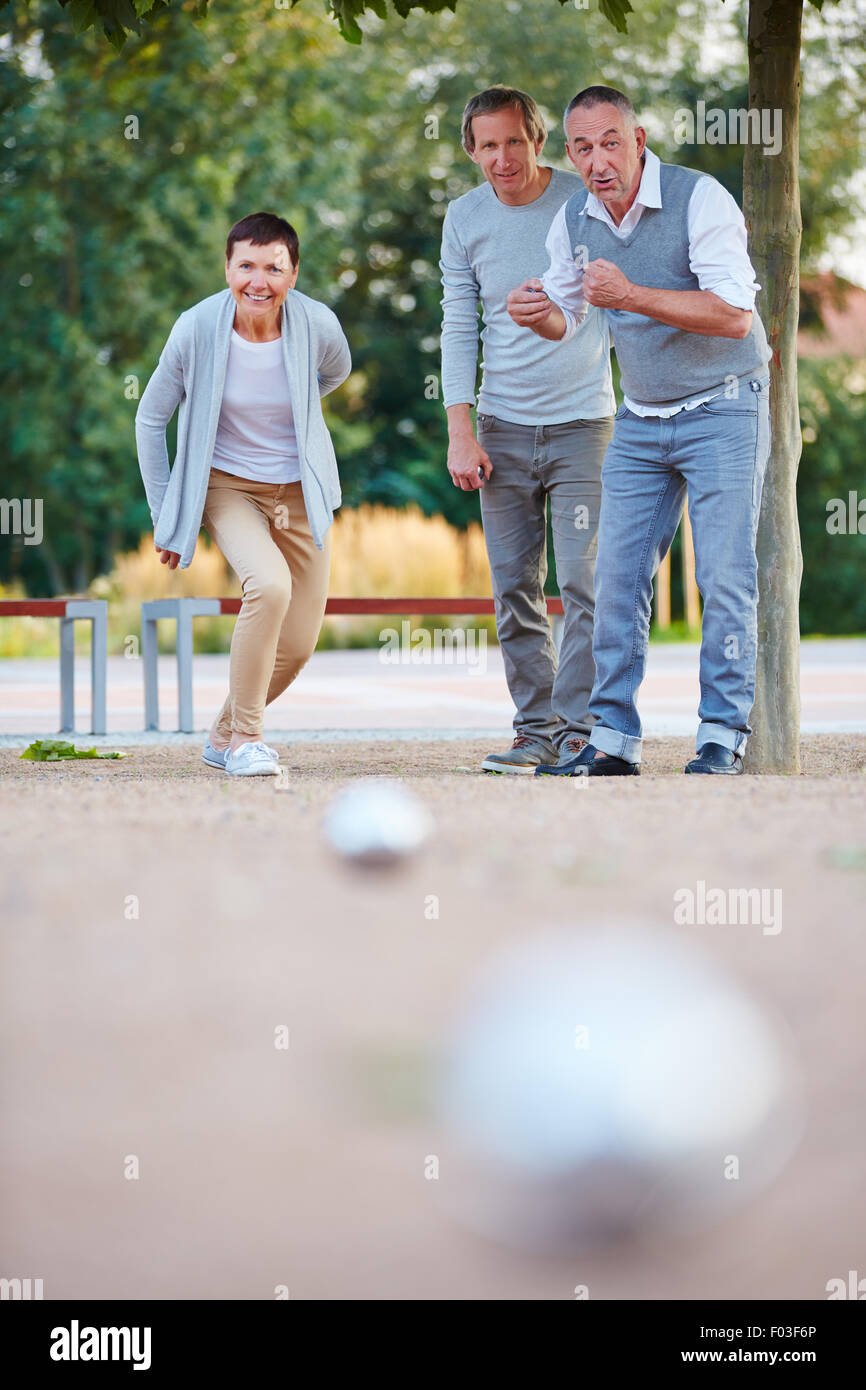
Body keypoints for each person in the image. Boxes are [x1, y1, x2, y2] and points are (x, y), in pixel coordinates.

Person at [508, 86, 771, 777]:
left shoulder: (699, 198)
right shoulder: (574, 218)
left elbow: (735, 316)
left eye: (611, 142)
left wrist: (630, 296)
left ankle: (721, 735)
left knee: (722, 574)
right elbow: (569, 313)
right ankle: (614, 740)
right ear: (571, 153)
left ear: (639, 140)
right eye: (584, 147)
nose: (598, 161)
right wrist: (535, 312)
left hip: (726, 404)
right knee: (611, 578)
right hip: (643, 415)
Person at [135, 210, 351, 777]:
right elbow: (149, 419)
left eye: (273, 268)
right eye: (246, 266)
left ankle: (222, 735)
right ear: (227, 267)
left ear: (294, 273)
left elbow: (334, 374)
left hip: (299, 491)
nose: (259, 281)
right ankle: (247, 741)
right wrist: (167, 516)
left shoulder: (318, 325)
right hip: (227, 486)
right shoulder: (196, 328)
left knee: (299, 644)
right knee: (269, 584)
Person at [440, 86, 615, 774]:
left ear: (537, 140)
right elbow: (459, 324)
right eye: (488, 145)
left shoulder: (584, 202)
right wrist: (461, 428)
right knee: (514, 586)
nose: (503, 157)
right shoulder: (464, 218)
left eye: (514, 141)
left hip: (583, 423)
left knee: (585, 583)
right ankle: (535, 731)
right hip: (501, 425)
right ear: (472, 151)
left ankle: (581, 730)